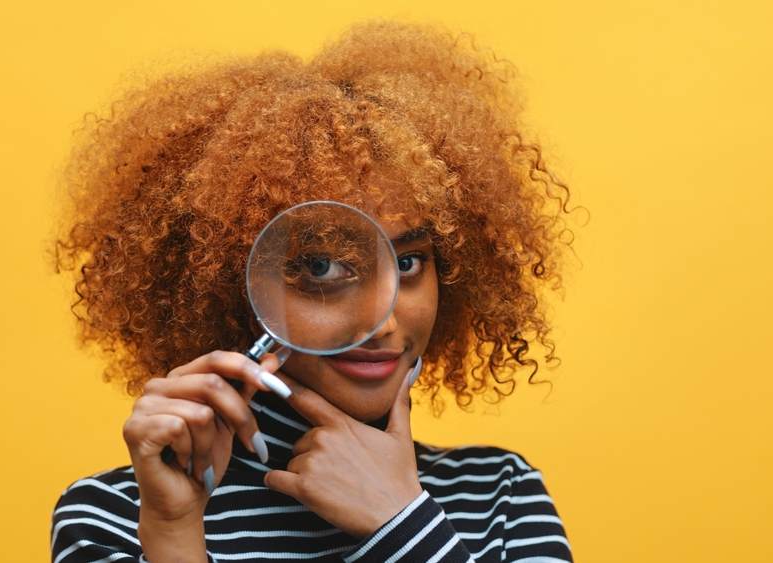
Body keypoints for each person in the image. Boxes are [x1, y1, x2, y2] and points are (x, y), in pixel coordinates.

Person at [52, 20, 574, 563]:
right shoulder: (114, 515)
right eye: (322, 266)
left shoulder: (500, 498)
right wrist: (175, 531)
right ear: (232, 284)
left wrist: (401, 522)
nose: (384, 321)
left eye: (409, 261)